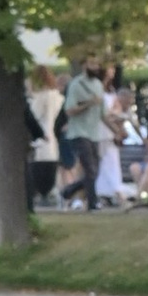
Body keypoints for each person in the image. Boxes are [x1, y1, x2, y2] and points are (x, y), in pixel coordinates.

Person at [61, 61, 110, 208]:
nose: (96, 68)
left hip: (94, 133)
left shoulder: (98, 85)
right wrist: (89, 103)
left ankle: (69, 190)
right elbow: (69, 110)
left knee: (95, 170)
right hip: (79, 132)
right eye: (92, 65)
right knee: (90, 168)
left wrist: (117, 131)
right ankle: (92, 203)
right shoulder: (76, 85)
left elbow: (103, 115)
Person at [27, 67, 63, 209]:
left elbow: (33, 116)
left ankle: (42, 194)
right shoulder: (57, 96)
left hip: (41, 137)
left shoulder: (41, 97)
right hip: (53, 137)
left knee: (40, 168)